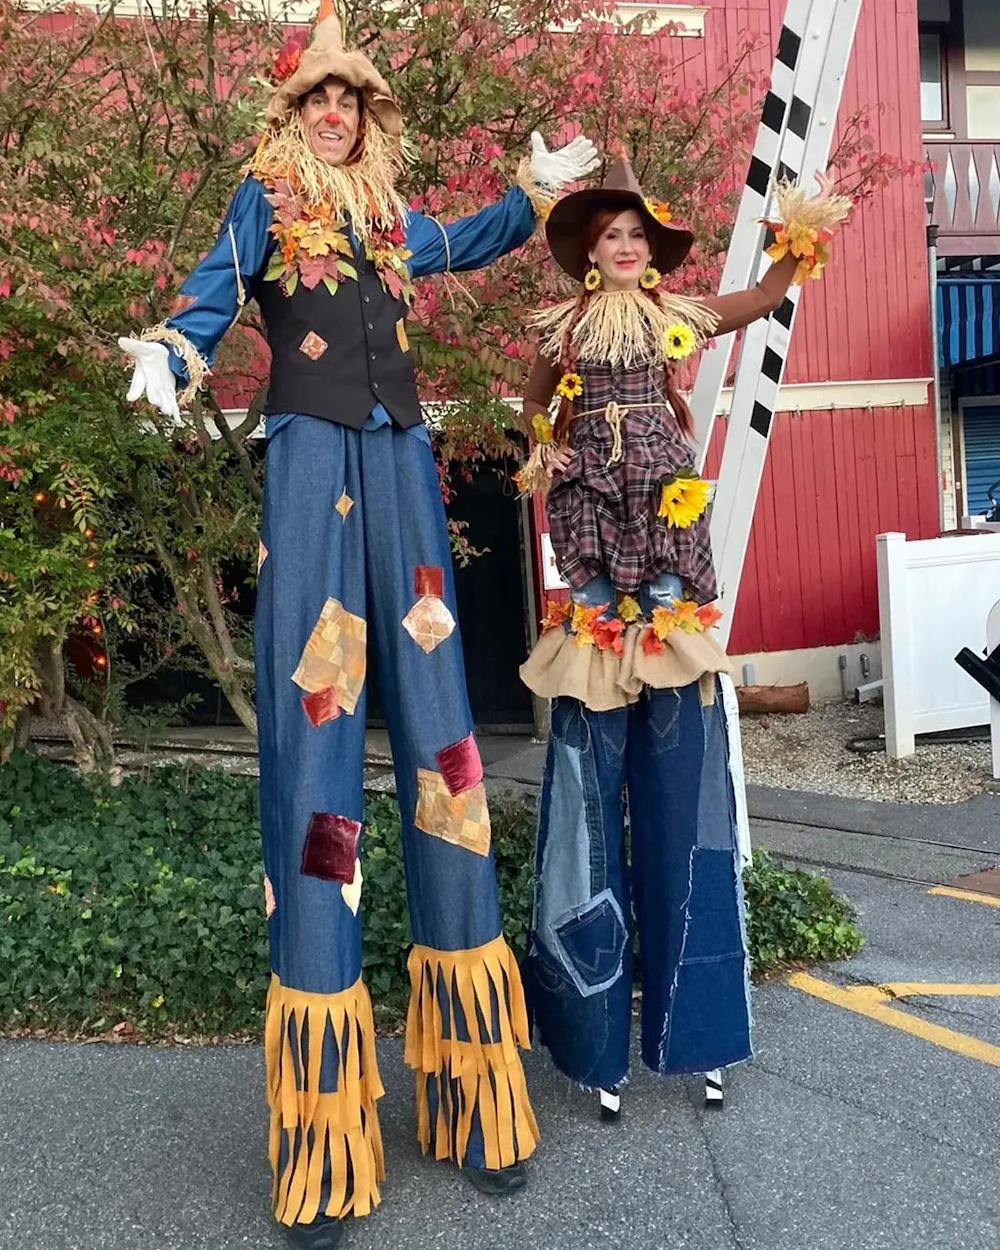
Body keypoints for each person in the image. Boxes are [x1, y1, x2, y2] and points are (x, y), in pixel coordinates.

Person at [119, 6, 600, 1246]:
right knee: (318, 753)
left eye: (350, 100)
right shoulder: (266, 201)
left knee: (447, 753)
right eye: (317, 99)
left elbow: (469, 237)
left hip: (400, 472)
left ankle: (474, 1095)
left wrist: (531, 195)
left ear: (366, 117)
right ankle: (325, 1140)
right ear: (293, 115)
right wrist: (174, 350)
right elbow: (212, 288)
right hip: (308, 473)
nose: (334, 113)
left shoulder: (388, 221)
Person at [515, 159, 849, 1117]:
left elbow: (758, 304)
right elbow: (532, 403)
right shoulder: (566, 329)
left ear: (650, 252)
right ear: (588, 252)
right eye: (610, 235)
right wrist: (549, 443)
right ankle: (593, 1043)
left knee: (681, 806)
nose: (625, 246)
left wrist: (796, 247)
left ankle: (695, 1031)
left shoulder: (678, 316)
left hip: (664, 555)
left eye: (637, 235)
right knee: (588, 814)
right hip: (593, 560)